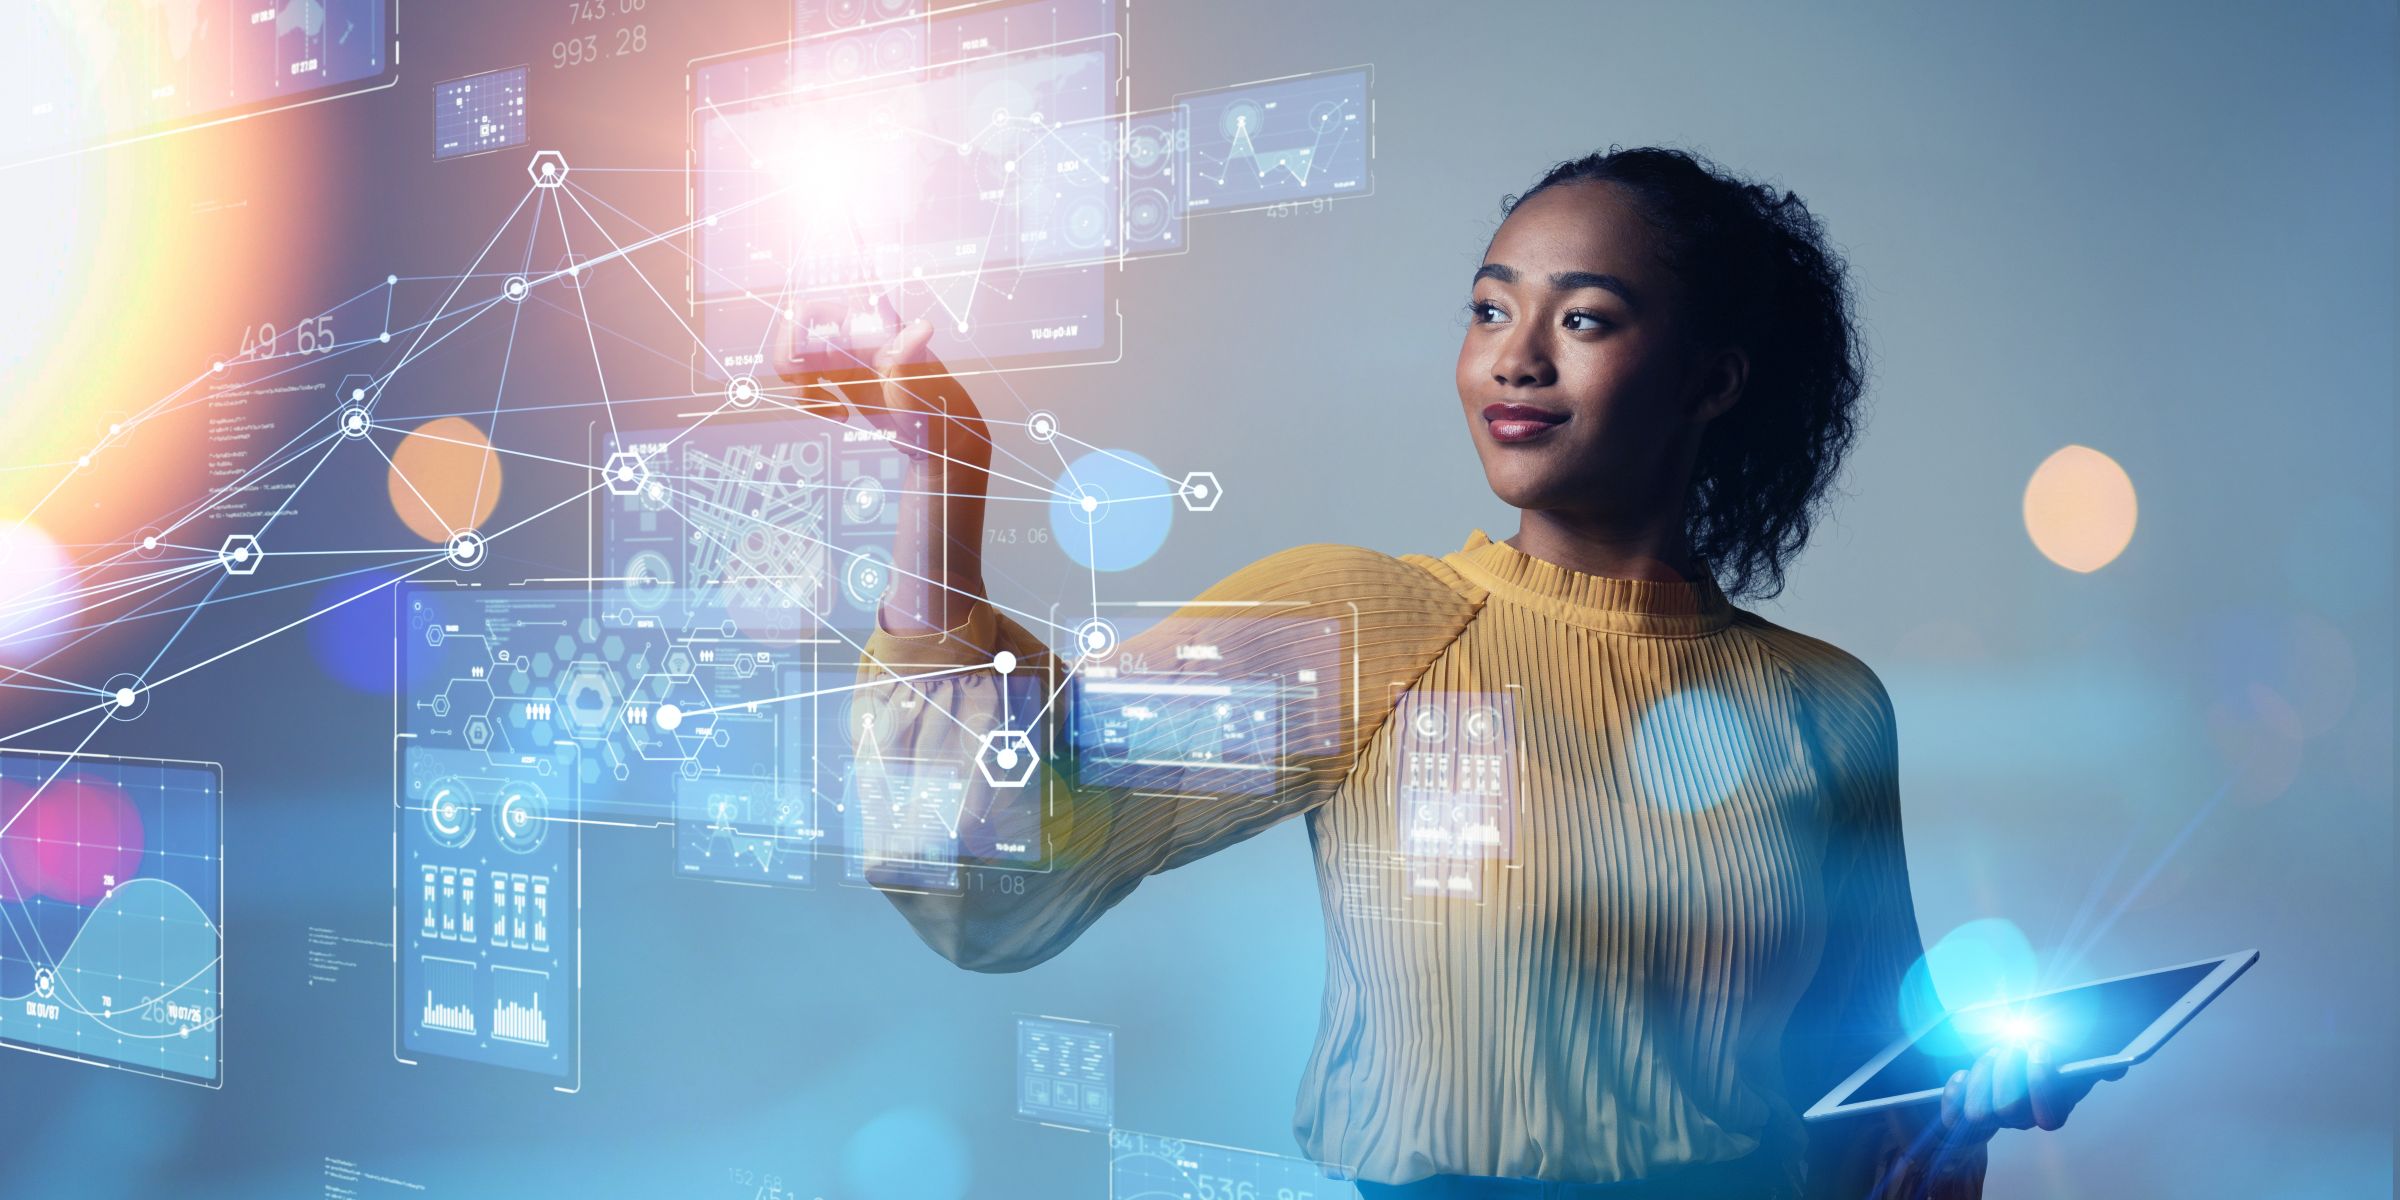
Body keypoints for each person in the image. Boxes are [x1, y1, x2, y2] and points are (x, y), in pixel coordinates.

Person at [776, 146, 2118, 1198]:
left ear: (1713, 381)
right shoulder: (1362, 622)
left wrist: (1969, 1107)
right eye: (1489, 308)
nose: (1514, 358)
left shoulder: (1828, 706)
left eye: (1583, 318)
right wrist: (941, 471)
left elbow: (1878, 1098)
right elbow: (986, 870)